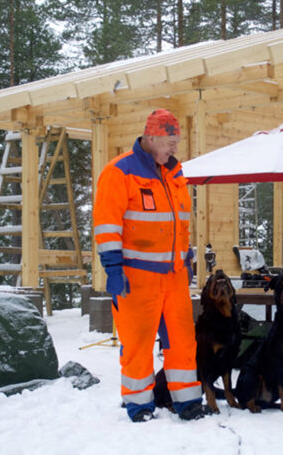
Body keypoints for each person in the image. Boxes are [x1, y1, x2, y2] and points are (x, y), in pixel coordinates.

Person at [93, 109, 205, 422]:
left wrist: (186, 259)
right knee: (138, 345)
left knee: (183, 343)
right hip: (135, 279)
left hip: (174, 278)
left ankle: (188, 402)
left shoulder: (176, 173)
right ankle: (139, 405)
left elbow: (180, 224)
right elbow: (106, 226)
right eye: (170, 141)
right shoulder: (119, 172)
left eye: (176, 142)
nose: (174, 148)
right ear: (151, 137)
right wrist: (113, 269)